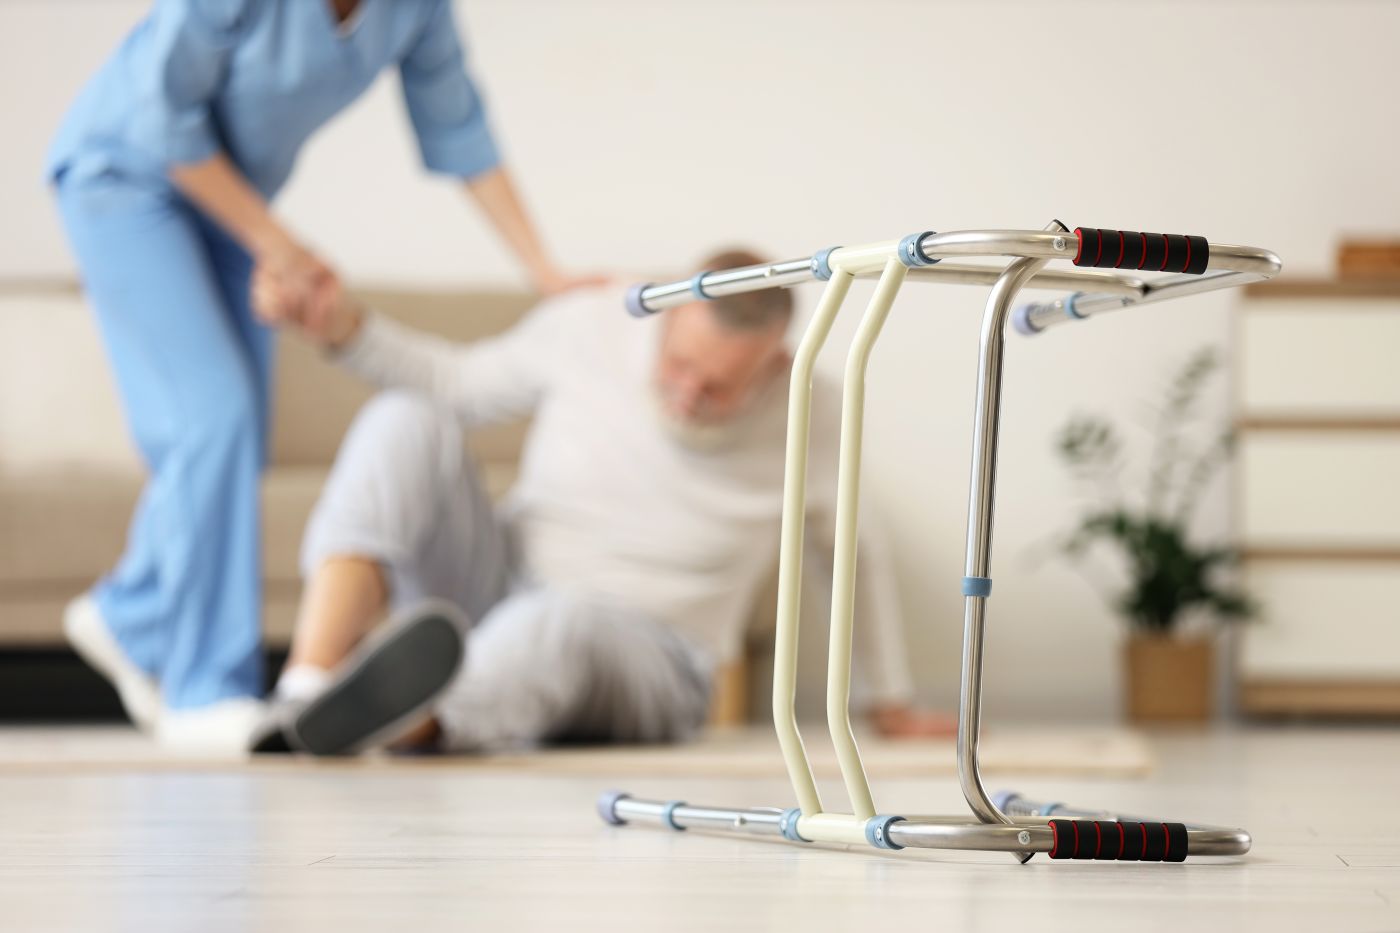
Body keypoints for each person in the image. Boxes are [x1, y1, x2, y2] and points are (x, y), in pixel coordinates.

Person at [48, 0, 599, 751]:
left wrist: (544, 270)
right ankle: (204, 689)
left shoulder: (416, 9)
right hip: (127, 180)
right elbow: (160, 115)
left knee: (238, 430)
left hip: (234, 206)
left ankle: (130, 611)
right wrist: (281, 245)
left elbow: (458, 124)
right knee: (213, 417)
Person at [247, 249, 954, 755]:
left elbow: (852, 547)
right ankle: (306, 692)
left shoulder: (813, 405)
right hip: (501, 586)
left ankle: (408, 721)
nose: (685, 395)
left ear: (772, 361)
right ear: (667, 313)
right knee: (404, 419)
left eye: (716, 388)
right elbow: (452, 382)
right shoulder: (594, 322)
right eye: (678, 366)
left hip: (656, 656)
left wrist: (885, 701)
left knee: (556, 621)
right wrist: (339, 324)